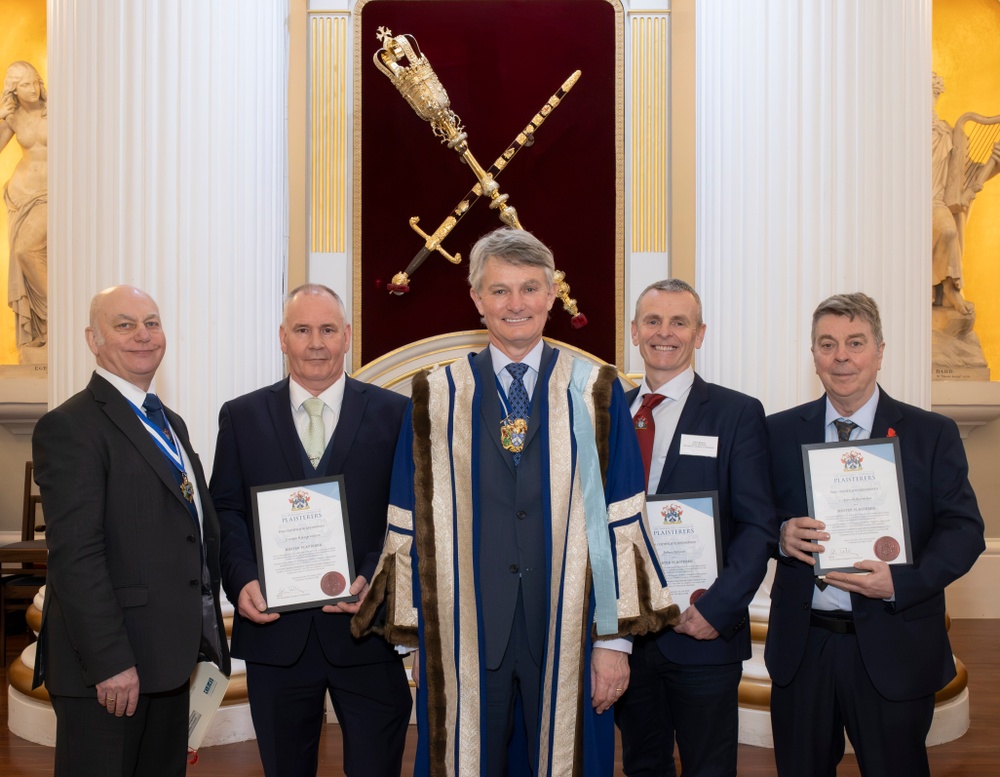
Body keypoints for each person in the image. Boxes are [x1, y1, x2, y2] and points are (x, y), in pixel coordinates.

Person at [353, 228, 679, 777]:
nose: (516, 304)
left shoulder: (595, 390)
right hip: (464, 629)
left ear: (553, 295)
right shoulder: (434, 394)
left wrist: (615, 644)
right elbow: (407, 520)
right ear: (476, 298)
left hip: (570, 623)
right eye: (499, 290)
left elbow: (622, 521)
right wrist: (414, 641)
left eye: (530, 288)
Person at [766, 292, 985, 777]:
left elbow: (965, 530)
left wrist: (901, 583)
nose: (841, 356)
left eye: (855, 342)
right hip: (803, 649)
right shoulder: (778, 433)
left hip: (895, 644)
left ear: (880, 351)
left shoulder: (931, 433)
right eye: (827, 344)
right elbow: (753, 521)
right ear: (814, 355)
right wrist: (780, 536)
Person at [210, 284, 412, 777]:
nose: (315, 342)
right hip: (276, 640)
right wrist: (241, 580)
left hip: (367, 632)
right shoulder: (242, 416)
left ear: (347, 337)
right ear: (283, 338)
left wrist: (371, 579)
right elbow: (226, 511)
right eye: (302, 330)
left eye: (327, 330)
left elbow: (408, 516)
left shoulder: (395, 413)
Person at [30, 285, 229, 777]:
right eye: (125, 325)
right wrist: (110, 662)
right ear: (92, 340)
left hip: (167, 660)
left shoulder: (170, 423)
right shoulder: (71, 426)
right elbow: (76, 557)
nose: (143, 335)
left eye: (152, 323)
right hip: (112, 669)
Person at [614, 279, 776, 777]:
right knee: (643, 764)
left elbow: (758, 525)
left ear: (699, 334)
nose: (666, 333)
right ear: (635, 332)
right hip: (625, 636)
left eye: (679, 322)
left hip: (701, 631)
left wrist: (719, 607)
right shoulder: (606, 411)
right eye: (653, 321)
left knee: (710, 767)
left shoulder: (737, 413)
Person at [932, 71, 1000, 316]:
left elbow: (966, 178)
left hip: (935, 203)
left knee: (949, 230)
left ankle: (951, 289)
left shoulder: (946, 134)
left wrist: (995, 164)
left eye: (932, 96)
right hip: (905, 205)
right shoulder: (900, 135)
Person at [1, 60, 47, 361]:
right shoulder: (13, 117)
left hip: (53, 195)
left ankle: (60, 319)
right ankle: (44, 332)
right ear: (13, 90)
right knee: (22, 254)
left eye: (35, 82)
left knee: (27, 251)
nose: (32, 89)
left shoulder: (55, 111)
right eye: (25, 85)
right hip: (22, 194)